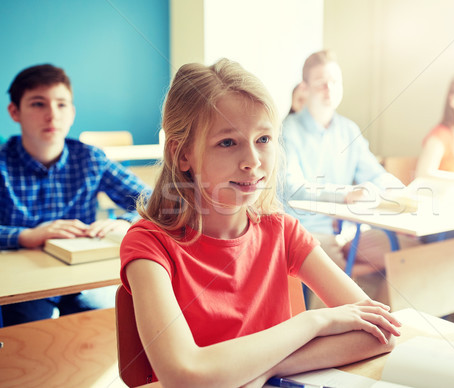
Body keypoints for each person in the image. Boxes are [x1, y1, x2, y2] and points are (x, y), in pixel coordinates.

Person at [119, 59, 401, 387]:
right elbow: (185, 375)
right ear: (182, 155)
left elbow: (382, 332)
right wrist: (313, 322)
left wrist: (262, 369)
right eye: (228, 142)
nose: (253, 161)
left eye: (263, 139)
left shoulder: (283, 231)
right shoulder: (148, 244)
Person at [0, 64, 150, 326]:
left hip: (80, 274)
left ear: (72, 112)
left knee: (107, 320)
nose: (52, 115)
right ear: (15, 112)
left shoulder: (89, 158)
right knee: (30, 332)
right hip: (24, 282)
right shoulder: (2, 163)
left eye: (61, 105)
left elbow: (152, 201)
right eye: (38, 104)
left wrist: (126, 222)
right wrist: (27, 236)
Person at [282, 50, 404, 277]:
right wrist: (345, 194)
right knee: (330, 269)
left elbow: (375, 174)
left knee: (402, 251)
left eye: (334, 82)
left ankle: (370, 299)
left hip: (349, 231)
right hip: (308, 231)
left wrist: (405, 195)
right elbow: (293, 188)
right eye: (321, 83)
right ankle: (349, 291)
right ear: (305, 88)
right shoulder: (288, 130)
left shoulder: (349, 130)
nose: (329, 89)